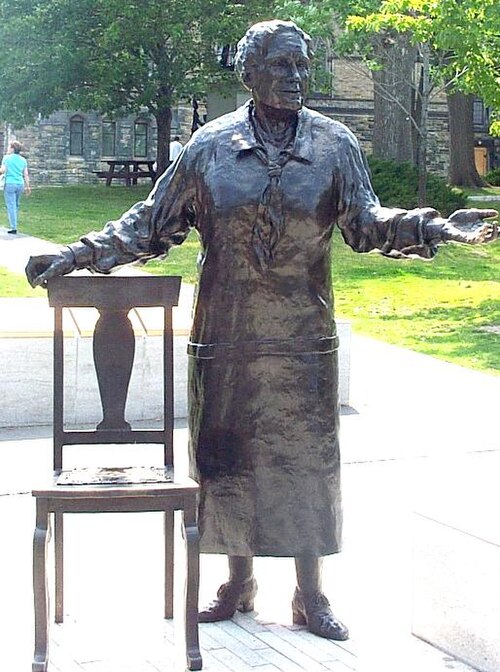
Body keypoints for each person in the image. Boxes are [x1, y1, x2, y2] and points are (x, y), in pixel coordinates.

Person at [25, 20, 497, 640]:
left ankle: (310, 593)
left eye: (302, 67)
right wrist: (77, 255)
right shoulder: (210, 147)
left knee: (309, 466)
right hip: (227, 336)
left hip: (303, 338)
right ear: (248, 73)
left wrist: (431, 227)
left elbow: (366, 223)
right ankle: (237, 582)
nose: (295, 78)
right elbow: (149, 225)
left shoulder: (334, 145)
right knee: (228, 465)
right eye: (280, 66)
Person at [1, 140, 31, 234]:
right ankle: (14, 223)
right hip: (20, 184)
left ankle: (13, 227)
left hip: (10, 183)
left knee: (11, 205)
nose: (8, 149)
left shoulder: (7, 158)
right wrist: (28, 186)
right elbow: (25, 174)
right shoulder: (23, 160)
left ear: (13, 149)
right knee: (16, 204)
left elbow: (3, 170)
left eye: (9, 147)